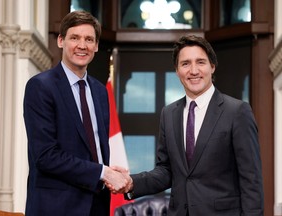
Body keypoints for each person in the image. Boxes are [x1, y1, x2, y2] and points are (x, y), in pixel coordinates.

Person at [113, 35, 264, 215]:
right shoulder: (168, 114)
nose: (193, 70)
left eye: (200, 62)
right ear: (177, 71)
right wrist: (131, 182)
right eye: (185, 64)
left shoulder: (237, 111)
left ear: (212, 67)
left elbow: (251, 180)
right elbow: (166, 171)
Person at [23, 11, 130, 216]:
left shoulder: (99, 91)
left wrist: (110, 172)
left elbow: (96, 149)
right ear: (61, 41)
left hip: (96, 205)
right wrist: (103, 172)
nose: (82, 45)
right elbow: (45, 156)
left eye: (89, 39)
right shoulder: (40, 87)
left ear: (96, 46)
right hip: (55, 207)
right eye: (75, 38)